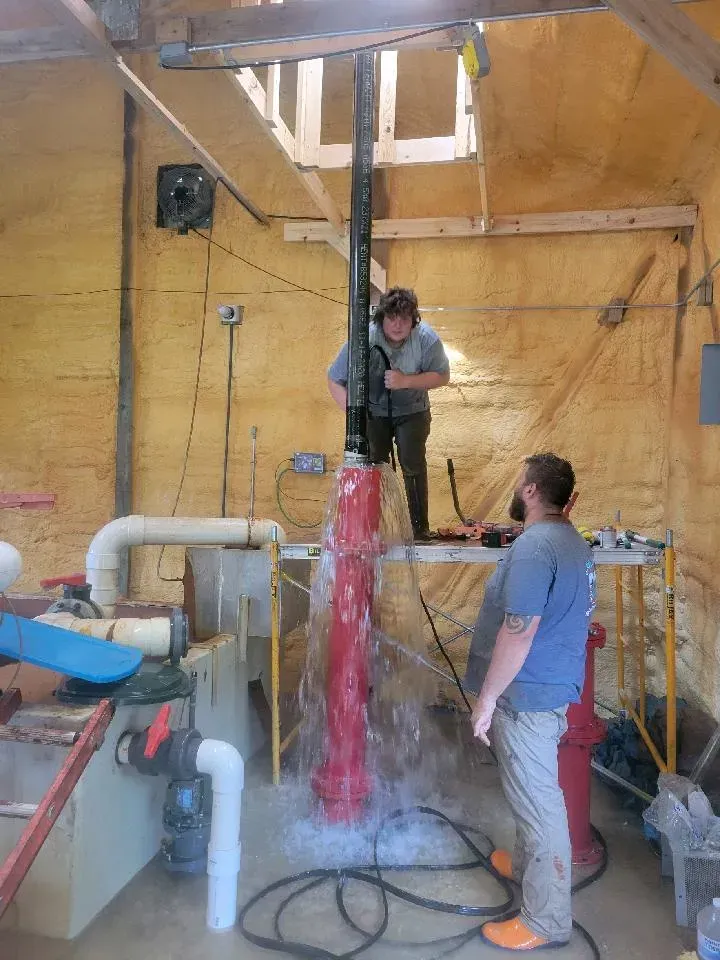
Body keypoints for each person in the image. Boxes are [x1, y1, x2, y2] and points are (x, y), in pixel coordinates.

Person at [465, 453, 596, 952]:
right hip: (551, 687)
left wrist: (487, 701)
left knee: (541, 806)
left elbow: (518, 634)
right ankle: (522, 868)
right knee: (529, 791)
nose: (518, 488)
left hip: (527, 695)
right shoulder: (573, 544)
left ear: (532, 492)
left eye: (521, 482)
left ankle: (546, 921)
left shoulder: (536, 548)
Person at [327, 287, 450, 540]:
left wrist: (404, 380)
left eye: (404, 318)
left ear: (413, 320)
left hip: (413, 410)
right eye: (392, 317)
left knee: (412, 462)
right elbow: (334, 379)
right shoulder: (364, 339)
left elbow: (442, 376)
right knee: (372, 467)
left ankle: (419, 529)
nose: (397, 324)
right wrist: (354, 415)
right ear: (381, 318)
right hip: (374, 412)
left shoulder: (427, 339)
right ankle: (370, 530)